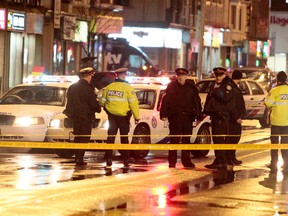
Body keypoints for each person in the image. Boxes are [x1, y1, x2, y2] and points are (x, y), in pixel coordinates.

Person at [160, 68, 202, 168]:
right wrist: (163, 114)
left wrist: (199, 114)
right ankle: (172, 162)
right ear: (177, 76)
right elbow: (165, 100)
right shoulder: (171, 86)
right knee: (174, 140)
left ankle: (186, 161)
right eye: (179, 76)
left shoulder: (191, 87)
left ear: (186, 77)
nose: (181, 78)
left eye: (183, 76)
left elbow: (197, 101)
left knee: (186, 140)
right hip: (175, 117)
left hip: (188, 117)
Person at [101, 67, 140, 167]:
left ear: (117, 76)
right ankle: (126, 159)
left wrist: (109, 111)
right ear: (124, 75)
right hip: (123, 117)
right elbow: (133, 103)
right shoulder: (128, 88)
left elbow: (102, 102)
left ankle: (108, 158)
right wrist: (137, 117)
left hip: (112, 117)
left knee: (110, 138)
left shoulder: (109, 87)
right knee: (124, 138)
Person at [63, 67, 101, 166]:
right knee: (84, 138)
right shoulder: (89, 88)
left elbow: (69, 102)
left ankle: (77, 157)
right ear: (89, 76)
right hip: (85, 117)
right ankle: (79, 158)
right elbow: (92, 102)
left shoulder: (72, 87)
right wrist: (98, 108)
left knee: (77, 137)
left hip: (75, 117)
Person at [203, 66, 238, 170]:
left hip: (222, 117)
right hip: (215, 116)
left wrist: (221, 112)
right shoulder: (214, 85)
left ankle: (222, 160)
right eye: (216, 75)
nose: (218, 77)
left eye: (220, 75)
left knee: (220, 139)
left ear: (224, 75)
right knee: (216, 139)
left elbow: (229, 102)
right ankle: (218, 159)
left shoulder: (227, 86)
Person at [264, 71, 288, 174]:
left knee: (274, 145)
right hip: (287, 123)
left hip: (276, 122)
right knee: (285, 145)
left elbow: (268, 104)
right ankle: (286, 165)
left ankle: (274, 165)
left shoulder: (274, 91)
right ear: (286, 79)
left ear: (277, 79)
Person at [228, 70, 246, 165]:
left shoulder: (234, 87)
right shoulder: (233, 89)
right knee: (233, 138)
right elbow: (232, 105)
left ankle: (232, 157)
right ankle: (231, 158)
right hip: (234, 119)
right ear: (239, 78)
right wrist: (236, 117)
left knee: (235, 138)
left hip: (235, 118)